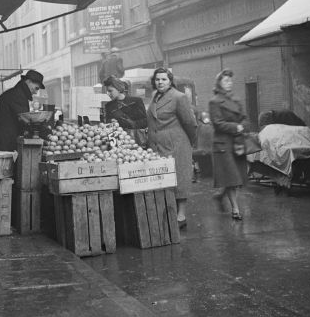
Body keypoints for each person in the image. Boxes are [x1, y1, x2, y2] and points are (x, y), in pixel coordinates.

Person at [146, 68, 197, 229]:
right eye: (157, 79)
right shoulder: (155, 96)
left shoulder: (178, 97)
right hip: (158, 145)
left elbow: (190, 122)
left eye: (164, 79)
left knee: (179, 179)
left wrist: (189, 143)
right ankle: (168, 213)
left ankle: (181, 216)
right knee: (164, 179)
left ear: (170, 81)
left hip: (176, 144)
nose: (160, 82)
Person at [209, 69, 248, 221]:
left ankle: (220, 196)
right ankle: (235, 209)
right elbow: (217, 123)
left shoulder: (236, 100)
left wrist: (243, 126)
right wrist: (236, 127)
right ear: (219, 83)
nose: (229, 83)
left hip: (237, 143)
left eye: (230, 80)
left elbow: (245, 118)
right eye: (225, 80)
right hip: (223, 144)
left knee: (237, 178)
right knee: (232, 179)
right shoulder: (215, 101)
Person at [0, 70, 45, 152]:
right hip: (3, 144)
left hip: (1, 141)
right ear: (28, 81)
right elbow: (26, 120)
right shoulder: (17, 96)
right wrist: (45, 132)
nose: (36, 92)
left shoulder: (14, 93)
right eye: (36, 88)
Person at [104, 75, 147, 145]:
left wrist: (129, 123)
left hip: (136, 141)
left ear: (118, 88)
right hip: (117, 143)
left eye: (110, 91)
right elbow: (107, 127)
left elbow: (145, 122)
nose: (108, 94)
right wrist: (111, 123)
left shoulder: (136, 101)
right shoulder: (108, 106)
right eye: (107, 91)